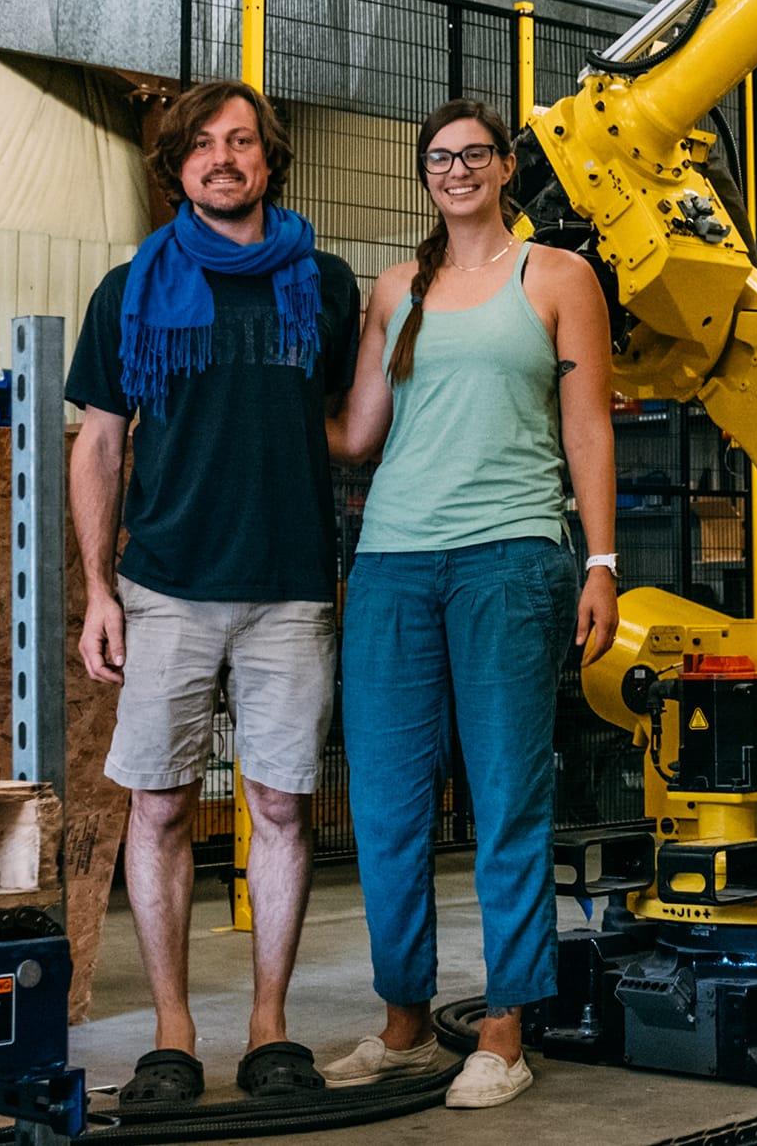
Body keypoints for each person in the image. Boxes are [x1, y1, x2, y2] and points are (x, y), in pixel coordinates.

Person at [323, 99, 621, 1111]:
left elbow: (587, 430)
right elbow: (360, 430)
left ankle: (503, 1029)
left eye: (474, 156)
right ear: (425, 176)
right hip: (394, 562)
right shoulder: (395, 288)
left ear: (504, 170)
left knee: (505, 799)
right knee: (388, 804)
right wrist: (241, 411)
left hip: (511, 559)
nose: (456, 171)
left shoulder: (560, 278)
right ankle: (406, 1023)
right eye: (438, 158)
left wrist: (601, 559)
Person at [68, 81, 361, 1105]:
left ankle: (271, 1031)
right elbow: (100, 445)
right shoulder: (130, 290)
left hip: (288, 586)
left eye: (241, 140)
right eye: (202, 143)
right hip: (167, 586)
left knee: (281, 806)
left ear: (269, 161)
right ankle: (172, 1034)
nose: (222, 156)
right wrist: (100, 591)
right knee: (158, 809)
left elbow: (336, 420)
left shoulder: (325, 286)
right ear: (177, 166)